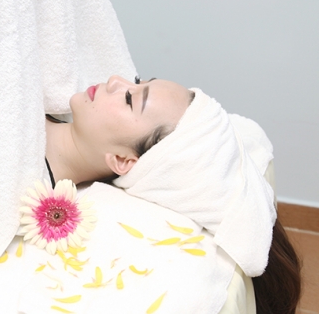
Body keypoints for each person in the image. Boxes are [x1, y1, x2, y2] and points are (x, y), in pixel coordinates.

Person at [45, 75, 301, 314]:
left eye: (129, 100)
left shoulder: (25, 173)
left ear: (123, 161)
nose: (115, 81)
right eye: (137, 81)